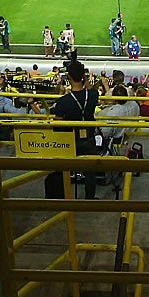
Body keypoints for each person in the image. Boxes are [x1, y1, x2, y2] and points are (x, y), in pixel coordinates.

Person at [45, 61, 102, 198]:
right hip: (89, 136)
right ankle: (90, 198)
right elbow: (89, 90)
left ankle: (65, 196)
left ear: (69, 78)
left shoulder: (63, 101)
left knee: (64, 167)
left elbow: (57, 123)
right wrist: (85, 78)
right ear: (83, 76)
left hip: (70, 139)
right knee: (90, 171)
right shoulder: (93, 95)